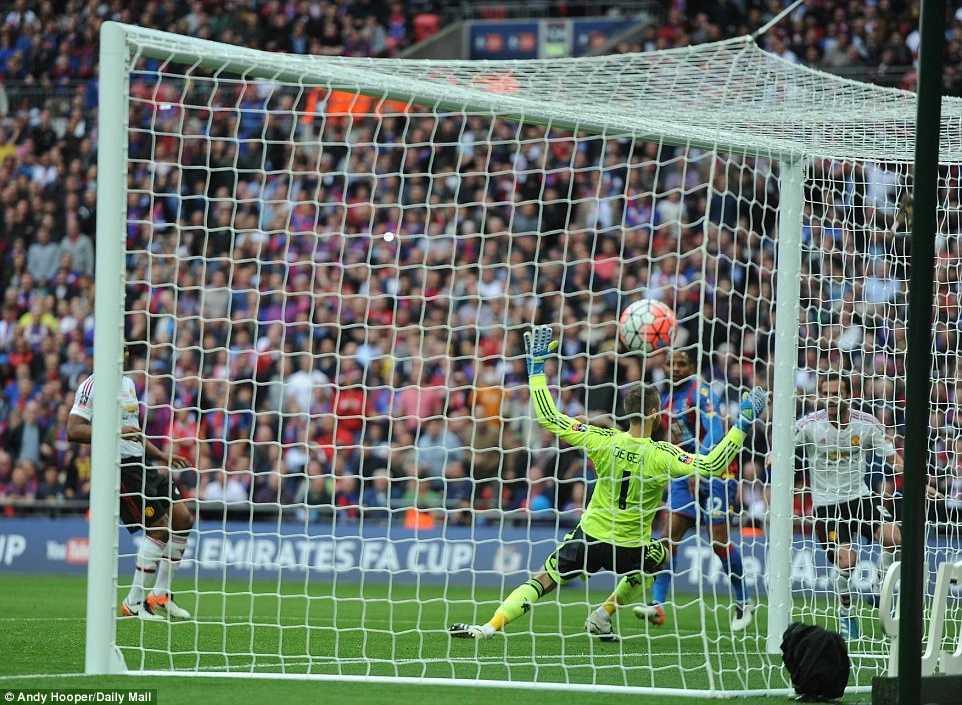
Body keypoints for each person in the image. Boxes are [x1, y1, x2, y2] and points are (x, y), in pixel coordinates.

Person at [448, 326, 768, 641]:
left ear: (626, 411)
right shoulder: (663, 454)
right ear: (655, 414)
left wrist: (536, 371)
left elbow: (549, 418)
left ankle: (489, 627)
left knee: (542, 579)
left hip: (589, 537)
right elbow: (712, 465)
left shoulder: (601, 439)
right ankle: (605, 612)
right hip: (630, 549)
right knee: (660, 557)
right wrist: (742, 423)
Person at [794, 372, 925, 640]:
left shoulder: (866, 424)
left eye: (836, 394)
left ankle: (878, 588)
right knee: (847, 561)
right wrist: (773, 455)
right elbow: (783, 446)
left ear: (849, 396)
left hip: (860, 498)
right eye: (826, 394)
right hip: (827, 505)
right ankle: (846, 612)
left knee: (895, 538)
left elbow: (893, 459)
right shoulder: (809, 425)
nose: (831, 399)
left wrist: (919, 483)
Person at [67, 346, 194, 621]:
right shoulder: (91, 386)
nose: (122, 353)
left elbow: (134, 432)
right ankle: (134, 602)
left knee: (183, 518)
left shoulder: (128, 384)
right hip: (121, 469)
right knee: (159, 528)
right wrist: (115, 431)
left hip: (143, 463)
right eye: (118, 348)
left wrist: (161, 455)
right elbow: (73, 430)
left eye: (125, 349)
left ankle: (160, 594)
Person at [636, 350, 754, 632]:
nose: (676, 368)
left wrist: (698, 466)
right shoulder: (665, 400)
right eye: (671, 364)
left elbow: (716, 432)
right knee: (668, 538)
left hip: (716, 470)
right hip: (684, 472)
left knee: (718, 542)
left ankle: (743, 600)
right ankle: (657, 604)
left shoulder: (701, 392)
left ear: (690, 368)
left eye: (682, 364)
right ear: (663, 368)